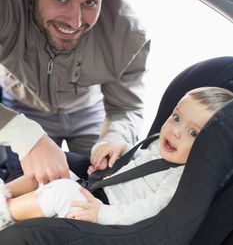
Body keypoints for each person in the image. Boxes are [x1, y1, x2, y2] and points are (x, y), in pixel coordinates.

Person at [0, 0, 150, 183]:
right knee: (22, 186)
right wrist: (22, 132)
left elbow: (125, 108)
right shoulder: (3, 1)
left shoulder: (127, 33)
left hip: (89, 112)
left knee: (101, 185)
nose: (75, 21)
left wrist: (116, 137)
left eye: (90, 2)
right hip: (22, 106)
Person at [0, 86, 232, 229]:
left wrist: (102, 214)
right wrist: (118, 148)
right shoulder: (156, 146)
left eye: (193, 133)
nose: (176, 131)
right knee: (53, 168)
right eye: (176, 118)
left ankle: (5, 215)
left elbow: (148, 210)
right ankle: (5, 194)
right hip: (96, 189)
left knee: (62, 192)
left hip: (108, 215)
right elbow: (136, 161)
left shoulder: (181, 178)